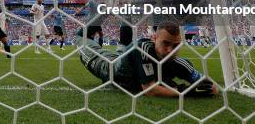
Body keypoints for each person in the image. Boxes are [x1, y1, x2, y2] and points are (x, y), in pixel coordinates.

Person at [76, 21, 218, 97]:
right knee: (80, 38)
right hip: (108, 66)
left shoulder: (180, 64)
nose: (170, 50)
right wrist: (186, 91)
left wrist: (207, 87)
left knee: (125, 49)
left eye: (175, 46)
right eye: (166, 43)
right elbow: (150, 90)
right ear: (154, 38)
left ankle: (125, 25)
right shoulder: (143, 48)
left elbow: (212, 87)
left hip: (127, 62)